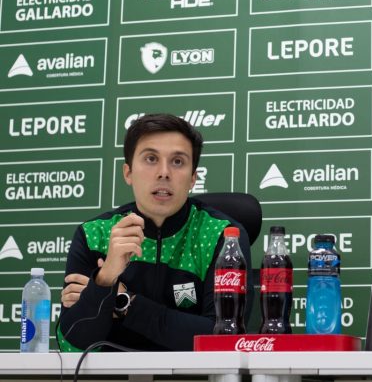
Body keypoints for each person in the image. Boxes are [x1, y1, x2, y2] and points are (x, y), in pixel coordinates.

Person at [57, 113, 253, 351]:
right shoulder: (94, 234)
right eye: (151, 159)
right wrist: (105, 279)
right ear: (128, 173)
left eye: (177, 161)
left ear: (193, 178)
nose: (164, 173)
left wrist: (123, 302)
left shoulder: (223, 235)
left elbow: (224, 338)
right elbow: (72, 344)